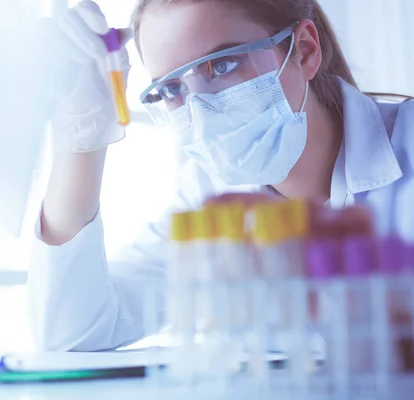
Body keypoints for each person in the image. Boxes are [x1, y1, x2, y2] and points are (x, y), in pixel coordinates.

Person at [27, 0, 414, 351]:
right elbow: (73, 333)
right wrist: (81, 139)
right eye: (172, 89)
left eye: (223, 65)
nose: (200, 109)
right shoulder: (209, 200)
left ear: (304, 50)